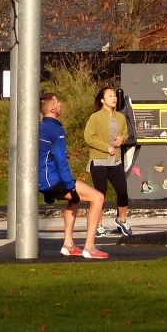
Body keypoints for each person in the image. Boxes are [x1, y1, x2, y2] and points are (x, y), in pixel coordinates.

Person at [38, 92, 108, 258]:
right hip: (52, 180)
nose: (61, 104)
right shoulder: (56, 130)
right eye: (58, 102)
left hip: (41, 180)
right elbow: (61, 162)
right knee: (97, 197)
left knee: (73, 199)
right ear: (53, 108)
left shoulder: (39, 127)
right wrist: (71, 186)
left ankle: (68, 244)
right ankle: (90, 247)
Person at [84, 86, 132, 237]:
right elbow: (89, 137)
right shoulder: (96, 117)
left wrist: (122, 138)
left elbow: (125, 132)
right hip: (99, 161)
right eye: (110, 96)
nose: (114, 98)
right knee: (100, 195)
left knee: (122, 192)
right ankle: (98, 225)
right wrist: (106, 147)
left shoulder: (120, 117)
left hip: (115, 161)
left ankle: (122, 220)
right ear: (103, 100)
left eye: (114, 96)